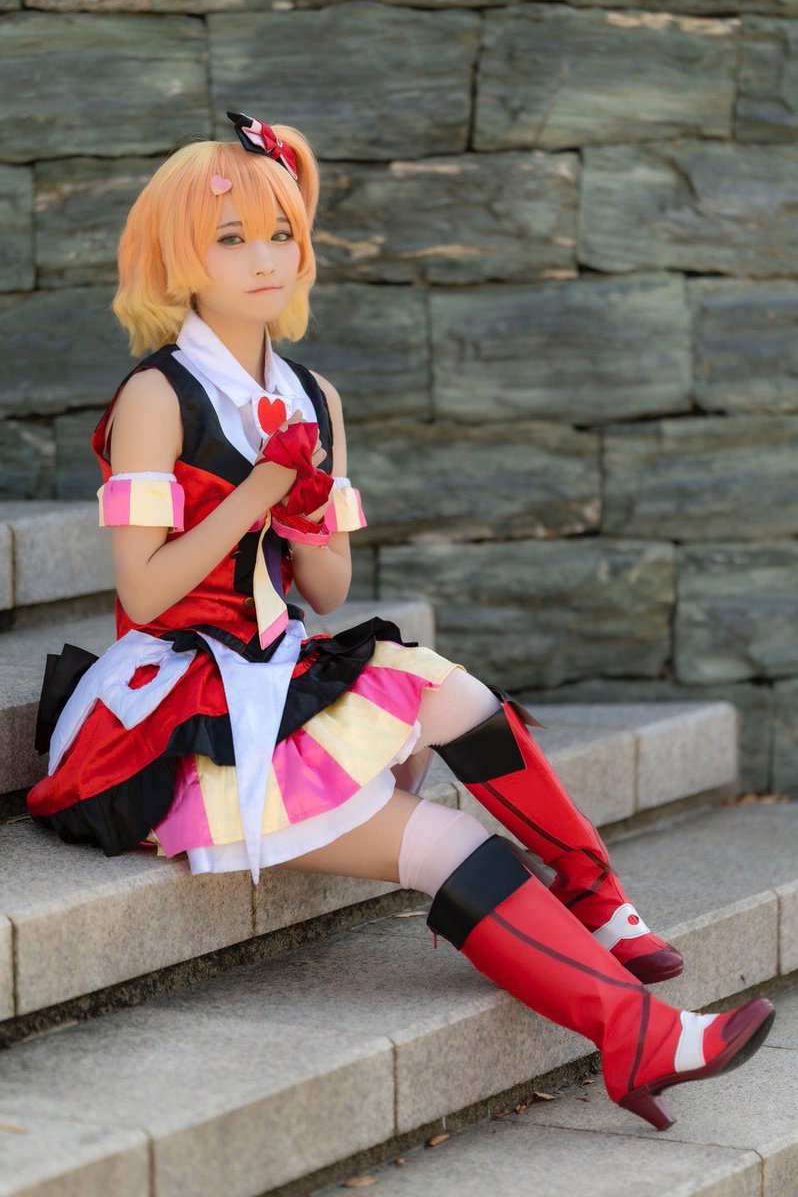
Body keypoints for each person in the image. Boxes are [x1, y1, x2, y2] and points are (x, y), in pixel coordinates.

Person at [26, 110, 775, 1132]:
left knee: (451, 690)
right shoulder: (157, 397)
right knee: (440, 839)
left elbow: (327, 590)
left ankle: (596, 896)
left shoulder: (313, 396)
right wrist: (258, 493)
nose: (264, 259)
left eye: (281, 233)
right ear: (178, 259)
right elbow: (146, 597)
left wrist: (304, 509)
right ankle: (635, 1032)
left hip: (273, 660)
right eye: (231, 239)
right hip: (180, 703)